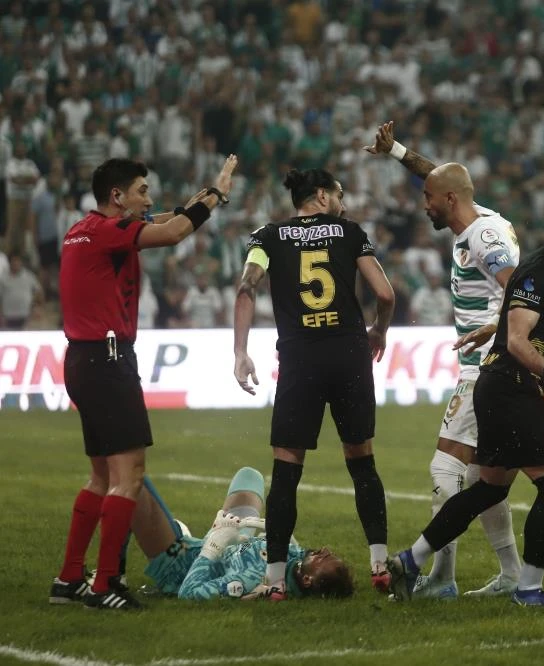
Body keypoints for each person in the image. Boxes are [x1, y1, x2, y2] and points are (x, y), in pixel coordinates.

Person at [387, 182, 544, 610]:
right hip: (512, 387)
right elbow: (518, 340)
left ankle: (410, 560)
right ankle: (528, 589)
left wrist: (496, 328)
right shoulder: (540, 270)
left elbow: (512, 321)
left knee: (487, 490)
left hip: (500, 386)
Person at [50, 155, 237, 611]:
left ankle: (69, 578)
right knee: (128, 475)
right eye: (142, 191)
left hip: (82, 360)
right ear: (117, 196)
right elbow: (173, 233)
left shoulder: (82, 230)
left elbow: (165, 219)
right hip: (108, 361)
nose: (149, 199)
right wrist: (216, 196)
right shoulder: (110, 231)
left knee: (101, 476)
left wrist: (203, 196)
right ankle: (105, 584)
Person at [365, 121, 524, 598]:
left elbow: (519, 289)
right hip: (494, 368)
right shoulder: (478, 217)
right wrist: (397, 152)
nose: (424, 205)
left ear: (450, 200)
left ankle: (441, 577)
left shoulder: (483, 237)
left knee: (444, 469)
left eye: (428, 199)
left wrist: (494, 328)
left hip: (486, 369)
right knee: (481, 478)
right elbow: (442, 177)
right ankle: (511, 575)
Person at [232, 168, 395, 601]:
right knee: (362, 463)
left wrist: (241, 351)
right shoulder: (349, 232)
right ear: (322, 196)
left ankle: (274, 583)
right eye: (339, 193)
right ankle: (380, 566)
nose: (343, 202)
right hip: (348, 355)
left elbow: (247, 288)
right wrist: (379, 330)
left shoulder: (267, 237)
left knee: (286, 471)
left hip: (299, 359)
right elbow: (385, 294)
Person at [134, 467, 353, 601]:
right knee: (249, 476)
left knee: (133, 480)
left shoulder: (249, 580)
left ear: (306, 580)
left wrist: (213, 547)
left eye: (323, 558)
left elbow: (189, 592)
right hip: (231, 541)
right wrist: (262, 535)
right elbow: (275, 552)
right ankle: (191, 532)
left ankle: (116, 576)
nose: (324, 550)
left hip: (182, 564)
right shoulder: (297, 563)